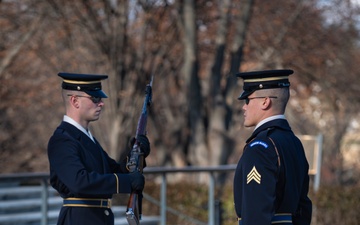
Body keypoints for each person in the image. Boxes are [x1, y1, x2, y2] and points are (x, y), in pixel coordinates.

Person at [47, 72, 151, 225]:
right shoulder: (62, 140)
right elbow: (79, 182)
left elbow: (113, 171)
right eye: (95, 98)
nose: (101, 103)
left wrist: (136, 155)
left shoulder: (85, 138)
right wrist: (126, 182)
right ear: (75, 101)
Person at [233, 69, 312, 225]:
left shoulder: (260, 147)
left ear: (265, 101)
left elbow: (256, 214)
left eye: (247, 100)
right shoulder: (293, 143)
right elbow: (303, 207)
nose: (244, 107)